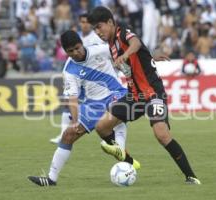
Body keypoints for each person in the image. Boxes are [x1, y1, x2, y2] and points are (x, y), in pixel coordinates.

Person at [88, 6, 201, 184]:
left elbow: (136, 44)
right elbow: (140, 53)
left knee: (161, 134)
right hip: (134, 96)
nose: (97, 32)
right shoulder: (111, 45)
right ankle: (128, 162)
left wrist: (125, 55)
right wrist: (150, 56)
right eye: (94, 28)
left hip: (152, 93)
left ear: (110, 22)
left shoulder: (122, 33)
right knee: (102, 127)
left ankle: (191, 176)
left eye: (99, 26)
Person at [28, 30, 140, 186]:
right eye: (70, 51)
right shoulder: (69, 70)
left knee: (113, 117)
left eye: (77, 48)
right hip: (93, 104)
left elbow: (126, 56)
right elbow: (72, 98)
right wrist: (74, 121)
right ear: (65, 52)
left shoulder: (101, 49)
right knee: (68, 135)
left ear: (81, 43)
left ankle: (123, 155)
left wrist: (150, 59)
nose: (75, 53)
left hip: (116, 94)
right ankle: (51, 179)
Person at [49, 13, 104, 144]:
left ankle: (107, 134)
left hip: (93, 79)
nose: (84, 24)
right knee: (69, 102)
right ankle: (63, 134)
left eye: (86, 22)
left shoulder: (96, 38)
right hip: (79, 76)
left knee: (98, 106)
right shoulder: (76, 37)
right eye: (82, 22)